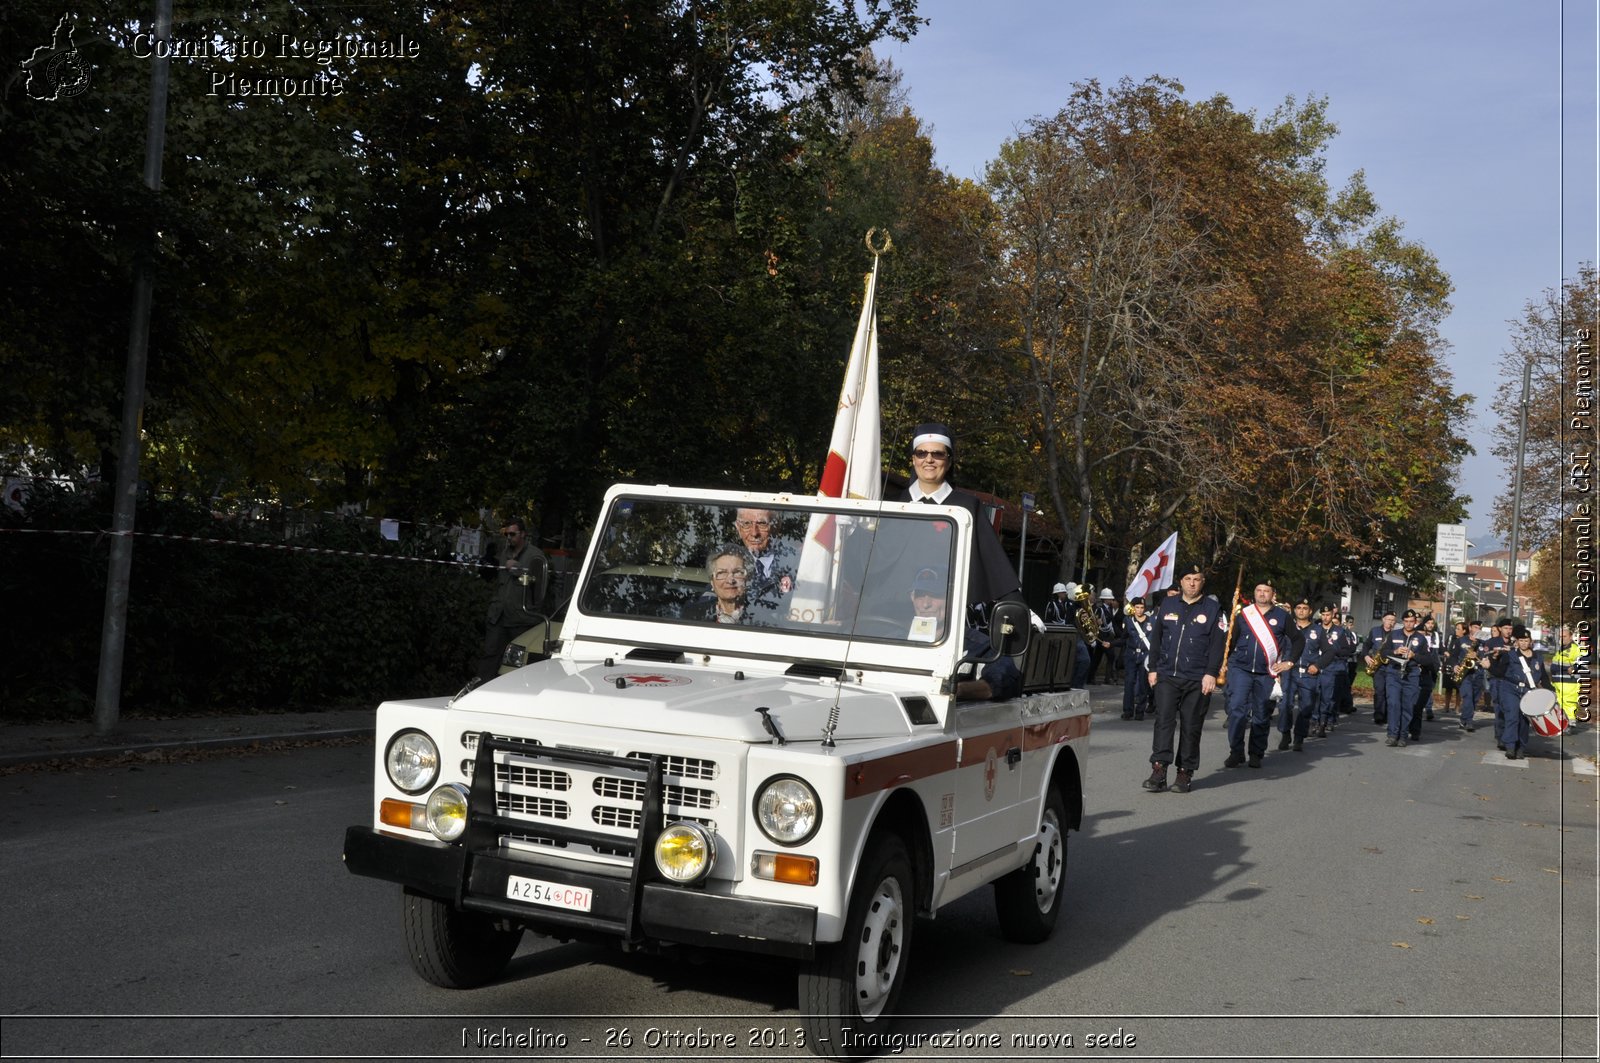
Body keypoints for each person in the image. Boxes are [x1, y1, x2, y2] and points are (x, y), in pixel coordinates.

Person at [902, 423, 1022, 612]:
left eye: (938, 454)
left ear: (948, 462)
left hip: (951, 615)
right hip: (897, 612)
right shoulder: (892, 503)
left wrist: (1018, 609)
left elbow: (992, 563)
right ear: (913, 459)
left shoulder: (967, 506)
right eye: (922, 453)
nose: (929, 459)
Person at [1143, 564, 1228, 794]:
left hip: (1197, 678)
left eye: (1197, 579)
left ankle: (1184, 772)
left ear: (1203, 582)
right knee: (1164, 721)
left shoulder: (1213, 609)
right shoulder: (1168, 605)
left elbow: (1217, 645)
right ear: (1180, 581)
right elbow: (1157, 639)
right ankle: (1159, 770)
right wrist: (1153, 669)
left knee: (1191, 726)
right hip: (1168, 675)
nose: (1192, 583)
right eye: (1188, 578)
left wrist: (1211, 673)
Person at [908, 566, 1022, 700]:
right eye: (920, 595)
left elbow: (1001, 680)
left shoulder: (979, 646)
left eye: (935, 595)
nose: (926, 604)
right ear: (911, 597)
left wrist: (955, 689)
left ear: (952, 598)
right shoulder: (893, 640)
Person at [1222, 581, 1293, 769]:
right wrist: (1223, 665)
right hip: (1240, 668)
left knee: (1261, 714)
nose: (1262, 594)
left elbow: (1298, 640)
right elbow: (1231, 640)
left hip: (1265, 672)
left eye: (1266, 591)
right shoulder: (1244, 614)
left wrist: (1289, 662)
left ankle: (1256, 753)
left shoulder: (1282, 616)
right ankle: (1236, 751)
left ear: (1273, 594)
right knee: (1236, 710)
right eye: (1259, 591)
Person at [477, 517, 550, 683]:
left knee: (516, 663)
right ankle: (478, 692)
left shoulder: (535, 556)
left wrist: (519, 571)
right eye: (506, 534)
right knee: (489, 656)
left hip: (521, 619)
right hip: (499, 615)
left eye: (512, 534)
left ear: (523, 534)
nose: (509, 538)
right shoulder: (505, 553)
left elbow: (540, 587)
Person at [1488, 624, 1553, 759]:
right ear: (1517, 642)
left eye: (1526, 640)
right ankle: (1510, 746)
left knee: (1524, 721)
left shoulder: (1537, 657)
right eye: (1521, 641)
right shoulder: (1510, 655)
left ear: (1530, 642)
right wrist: (1489, 666)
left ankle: (1521, 747)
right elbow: (1500, 672)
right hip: (1510, 688)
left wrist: (1550, 691)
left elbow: (1543, 677)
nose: (1523, 643)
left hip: (1528, 692)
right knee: (1512, 716)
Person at [1376, 609, 1435, 747]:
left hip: (1411, 674)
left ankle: (1403, 735)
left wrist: (1414, 656)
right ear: (1403, 622)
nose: (1409, 624)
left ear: (1415, 622)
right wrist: (1395, 651)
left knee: (1408, 706)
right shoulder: (1394, 634)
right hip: (1394, 673)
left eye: (1412, 622)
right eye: (1406, 622)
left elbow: (1428, 660)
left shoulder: (1420, 639)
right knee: (1393, 704)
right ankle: (1392, 734)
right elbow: (1383, 653)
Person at [734, 507, 793, 615]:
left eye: (762, 523)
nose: (754, 533)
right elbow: (708, 603)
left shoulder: (795, 562)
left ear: (777, 526)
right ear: (738, 528)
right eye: (746, 524)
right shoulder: (729, 563)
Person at [1309, 604, 1356, 738]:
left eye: (1328, 615)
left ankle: (1324, 722)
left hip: (1332, 667)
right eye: (1323, 615)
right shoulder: (1315, 630)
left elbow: (1348, 650)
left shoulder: (1340, 631)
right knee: (1315, 695)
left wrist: (1333, 650)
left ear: (1332, 615)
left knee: (1327, 697)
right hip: (1316, 666)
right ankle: (1314, 721)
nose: (1325, 617)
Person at [1277, 599, 1318, 751]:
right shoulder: (1286, 628)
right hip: (1288, 670)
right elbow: (1277, 647)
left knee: (1306, 707)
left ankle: (1299, 737)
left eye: (1305, 608)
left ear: (1310, 611)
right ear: (1294, 610)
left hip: (1308, 673)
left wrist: (1318, 665)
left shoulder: (1317, 631)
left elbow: (1329, 651)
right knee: (1285, 704)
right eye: (1298, 608)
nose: (1301, 611)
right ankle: (1285, 733)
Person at [1483, 617, 1517, 750]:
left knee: (1511, 710)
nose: (1508, 631)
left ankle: (1508, 736)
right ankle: (1500, 736)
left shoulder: (1515, 642)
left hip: (1511, 679)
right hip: (1497, 679)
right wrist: (1494, 656)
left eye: (1510, 628)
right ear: (1500, 629)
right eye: (1506, 628)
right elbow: (1485, 658)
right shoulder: (1492, 642)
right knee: (1499, 709)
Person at [696, 544, 752, 624]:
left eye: (737, 572)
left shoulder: (763, 615)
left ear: (747, 578)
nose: (730, 580)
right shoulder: (693, 613)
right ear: (712, 582)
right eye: (722, 573)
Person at [1121, 597, 1155, 720]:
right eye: (1137, 607)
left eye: (1141, 608)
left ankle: (1140, 711)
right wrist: (1111, 643)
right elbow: (1123, 638)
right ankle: (1127, 711)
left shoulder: (1152, 621)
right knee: (1129, 683)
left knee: (1143, 685)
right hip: (1131, 655)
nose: (1139, 610)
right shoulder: (1128, 621)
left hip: (1145, 656)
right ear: (1133, 608)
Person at [1363, 611, 1397, 725]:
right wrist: (1366, 656)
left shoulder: (1397, 633)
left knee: (1390, 692)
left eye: (1393, 620)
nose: (1390, 622)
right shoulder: (1375, 631)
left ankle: (1387, 715)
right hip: (1378, 667)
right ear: (1383, 619)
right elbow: (1366, 645)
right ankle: (1378, 715)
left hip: (1392, 667)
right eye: (1388, 619)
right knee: (1379, 691)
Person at [1451, 619, 1485, 732]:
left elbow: (1486, 657)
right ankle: (1469, 721)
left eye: (1479, 628)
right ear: (1470, 628)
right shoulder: (1460, 641)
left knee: (1474, 699)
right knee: (1468, 697)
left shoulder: (1483, 643)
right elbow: (1453, 656)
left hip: (1478, 673)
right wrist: (1455, 665)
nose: (1477, 630)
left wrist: (1478, 654)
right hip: (1465, 673)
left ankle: (1463, 719)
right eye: (1475, 627)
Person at [1549, 625, 1585, 724]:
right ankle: (1563, 723)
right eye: (1560, 637)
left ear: (1570, 636)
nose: (1562, 639)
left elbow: (1585, 660)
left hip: (1570, 682)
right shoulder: (1561, 649)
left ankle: (1570, 723)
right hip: (1558, 682)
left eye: (1564, 636)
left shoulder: (1575, 648)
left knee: (1569, 703)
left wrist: (1574, 668)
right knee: (1560, 703)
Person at [1091, 587, 1123, 685]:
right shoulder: (1100, 609)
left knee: (1099, 657)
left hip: (1108, 635)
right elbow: (1095, 620)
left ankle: (1094, 677)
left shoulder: (1109, 608)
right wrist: (1098, 622)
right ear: (1105, 599)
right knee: (1109, 656)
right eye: (1109, 598)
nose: (1111, 600)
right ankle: (1105, 678)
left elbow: (1111, 623)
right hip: (1101, 636)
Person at [1415, 615, 1442, 725]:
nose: (1430, 625)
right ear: (1424, 624)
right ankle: (1423, 708)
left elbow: (1439, 648)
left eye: (1432, 623)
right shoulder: (1418, 633)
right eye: (1428, 623)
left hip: (1433, 663)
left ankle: (1428, 708)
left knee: (1430, 686)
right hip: (1421, 663)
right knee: (1420, 686)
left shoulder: (1436, 634)